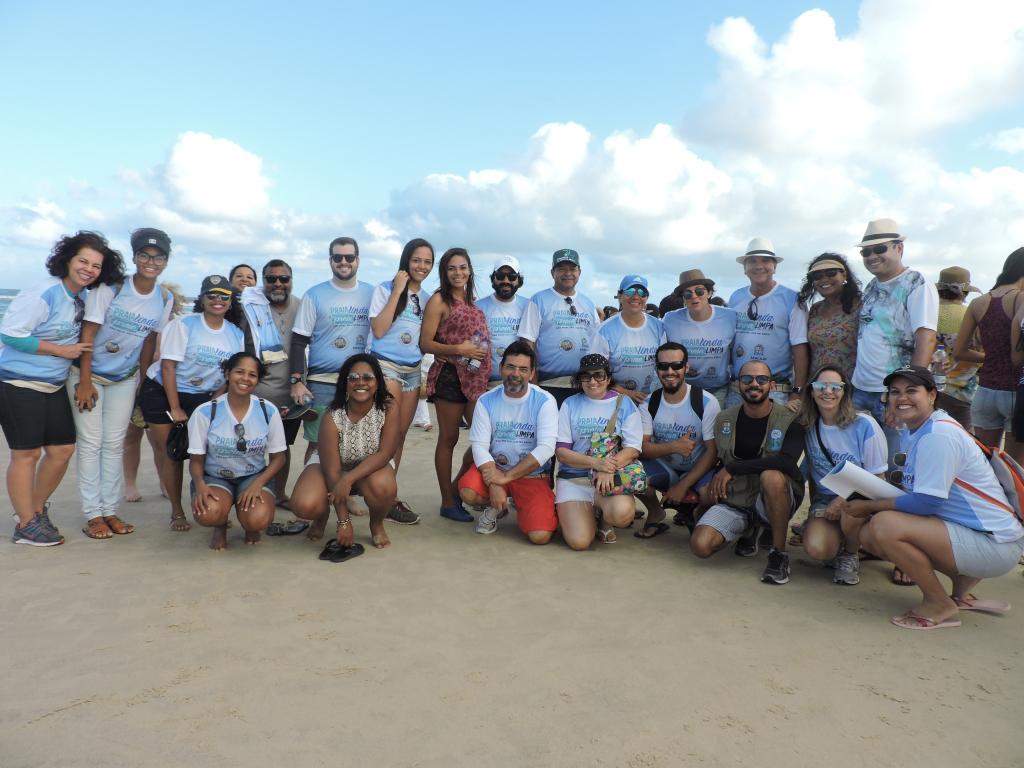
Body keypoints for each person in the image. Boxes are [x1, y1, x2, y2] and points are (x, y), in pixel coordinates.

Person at [844, 365, 1024, 630]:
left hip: (996, 544)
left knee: (883, 526)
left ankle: (938, 603)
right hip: (986, 536)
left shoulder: (937, 435)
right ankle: (961, 588)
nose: (902, 398)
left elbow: (927, 503)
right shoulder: (923, 428)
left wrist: (870, 505)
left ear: (931, 395)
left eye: (911, 390)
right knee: (874, 530)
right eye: (894, 392)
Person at [1, 231, 125, 546]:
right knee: (26, 454)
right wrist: (61, 351)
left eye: (96, 266)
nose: (88, 269)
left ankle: (34, 510)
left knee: (62, 450)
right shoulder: (44, 292)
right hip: (18, 381)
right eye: (83, 261)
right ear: (67, 260)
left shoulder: (81, 298)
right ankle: (26, 525)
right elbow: (11, 334)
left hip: (53, 384)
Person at [70, 227, 175, 539]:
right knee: (91, 443)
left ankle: (110, 510)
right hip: (88, 375)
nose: (151, 262)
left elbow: (149, 342)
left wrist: (142, 381)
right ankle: (93, 515)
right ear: (135, 257)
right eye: (144, 255)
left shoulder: (164, 297)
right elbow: (88, 334)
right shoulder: (112, 288)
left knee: (114, 444)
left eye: (158, 258)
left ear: (166, 262)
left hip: (124, 379)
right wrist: (84, 381)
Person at [138, 275, 245, 532]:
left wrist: (216, 398)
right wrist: (175, 407)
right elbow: (168, 367)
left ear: (230, 301)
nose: (218, 300)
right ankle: (177, 511)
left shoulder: (236, 334)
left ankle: (212, 504)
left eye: (224, 296)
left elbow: (230, 374)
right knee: (172, 453)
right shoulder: (184, 325)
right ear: (202, 299)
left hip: (203, 396)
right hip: (163, 391)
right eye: (212, 295)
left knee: (206, 453)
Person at [692, 360, 806, 584]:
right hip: (737, 497)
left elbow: (786, 463)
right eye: (747, 379)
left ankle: (778, 554)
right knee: (700, 546)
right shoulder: (724, 418)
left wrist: (733, 468)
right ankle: (748, 529)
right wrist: (704, 489)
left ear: (772, 385)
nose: (754, 384)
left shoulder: (790, 419)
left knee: (771, 476)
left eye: (762, 379)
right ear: (737, 385)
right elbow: (717, 458)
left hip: (775, 496)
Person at [288, 353, 400, 550]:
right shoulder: (332, 416)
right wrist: (344, 521)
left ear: (378, 382)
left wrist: (348, 480)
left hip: (371, 467)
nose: (360, 382)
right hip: (330, 467)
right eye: (353, 377)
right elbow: (332, 471)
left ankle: (376, 524)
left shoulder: (388, 408)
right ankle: (322, 515)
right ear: (345, 384)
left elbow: (385, 453)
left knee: (384, 487)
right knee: (304, 505)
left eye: (367, 377)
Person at [851, 218, 939, 459]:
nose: (872, 256)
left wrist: (905, 394)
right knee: (863, 465)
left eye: (880, 249)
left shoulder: (916, 283)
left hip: (892, 393)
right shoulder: (871, 286)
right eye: (866, 252)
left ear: (899, 248)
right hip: (861, 390)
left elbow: (926, 338)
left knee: (896, 466)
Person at [458, 341, 558, 543]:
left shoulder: (545, 401)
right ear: (501, 368)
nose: (516, 374)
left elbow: (546, 448)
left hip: (531, 476)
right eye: (510, 367)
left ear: (532, 373)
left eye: (523, 369)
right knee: (468, 492)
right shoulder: (486, 400)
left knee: (540, 536)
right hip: (496, 468)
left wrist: (505, 478)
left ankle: (524, 507)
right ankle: (496, 508)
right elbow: (479, 446)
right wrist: (495, 481)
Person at [187, 352, 286, 550]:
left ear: (258, 380)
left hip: (253, 475)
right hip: (215, 477)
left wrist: (258, 484)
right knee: (208, 513)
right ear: (227, 374)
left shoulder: (267, 410)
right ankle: (220, 525)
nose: (245, 378)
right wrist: (200, 485)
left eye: (252, 375)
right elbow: (196, 460)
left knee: (258, 519)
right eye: (239, 372)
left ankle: (250, 526)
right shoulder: (205, 412)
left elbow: (279, 458)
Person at [798, 365, 887, 584]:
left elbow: (878, 479)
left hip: (861, 496)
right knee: (818, 549)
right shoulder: (808, 424)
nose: (827, 391)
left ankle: (850, 553)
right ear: (811, 391)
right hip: (825, 499)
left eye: (835, 386)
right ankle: (838, 540)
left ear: (845, 391)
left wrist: (841, 499)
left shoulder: (864, 424)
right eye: (821, 386)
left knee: (850, 510)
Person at [420, 247, 491, 521]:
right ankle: (448, 501)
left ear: (470, 270)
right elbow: (425, 343)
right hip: (449, 377)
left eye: (462, 267)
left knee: (486, 437)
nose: (457, 273)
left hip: (475, 379)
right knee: (448, 438)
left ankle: (454, 487)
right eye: (451, 268)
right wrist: (458, 349)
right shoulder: (439, 300)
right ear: (444, 272)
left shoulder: (473, 302)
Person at [289, 237, 373, 462]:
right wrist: (296, 381)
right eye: (338, 257)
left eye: (349, 257)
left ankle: (346, 485)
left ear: (358, 260)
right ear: (330, 261)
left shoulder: (372, 293)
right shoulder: (314, 294)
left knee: (359, 443)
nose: (343, 262)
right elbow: (298, 341)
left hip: (360, 382)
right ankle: (313, 483)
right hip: (322, 382)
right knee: (318, 443)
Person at [369, 238, 434, 524]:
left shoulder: (428, 299)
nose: (422, 266)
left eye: (427, 262)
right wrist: (398, 290)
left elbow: (426, 340)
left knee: (401, 435)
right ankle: (378, 492)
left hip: (413, 370)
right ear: (406, 260)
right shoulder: (384, 289)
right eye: (417, 260)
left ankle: (388, 494)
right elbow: (379, 329)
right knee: (387, 432)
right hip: (386, 366)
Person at [554, 354, 643, 549]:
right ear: (579, 379)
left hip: (608, 479)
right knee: (579, 542)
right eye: (586, 376)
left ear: (608, 378)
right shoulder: (569, 404)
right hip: (574, 478)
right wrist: (597, 464)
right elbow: (562, 453)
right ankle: (584, 515)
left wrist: (607, 468)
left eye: (599, 375)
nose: (592, 381)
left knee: (622, 515)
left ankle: (604, 518)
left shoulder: (624, 403)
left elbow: (633, 449)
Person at [635, 342, 720, 537]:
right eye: (663, 366)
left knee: (711, 494)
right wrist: (674, 447)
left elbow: (713, 451)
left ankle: (697, 512)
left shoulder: (706, 401)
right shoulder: (649, 403)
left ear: (686, 368)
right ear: (656, 369)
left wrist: (683, 485)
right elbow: (641, 448)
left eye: (677, 365)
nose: (670, 371)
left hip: (698, 468)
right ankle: (655, 512)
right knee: (631, 475)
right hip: (666, 468)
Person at [238, 259, 304, 508]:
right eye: (271, 279)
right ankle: (245, 495)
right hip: (254, 395)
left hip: (290, 396)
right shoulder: (250, 307)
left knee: (281, 448)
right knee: (248, 448)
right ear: (263, 281)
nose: (278, 283)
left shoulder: (301, 306)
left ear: (291, 281)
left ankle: (279, 494)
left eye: (283, 279)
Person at [956, 251, 1024, 461]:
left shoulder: (978, 302)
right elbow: (1017, 356)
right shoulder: (1021, 299)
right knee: (1014, 469)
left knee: (986, 464)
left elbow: (959, 352)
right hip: (1014, 392)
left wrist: (992, 357)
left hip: (985, 391)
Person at [727, 238, 808, 411]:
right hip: (738, 388)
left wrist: (797, 392)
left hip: (775, 389)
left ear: (775, 267)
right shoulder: (736, 297)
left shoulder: (792, 299)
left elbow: (800, 347)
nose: (759, 266)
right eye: (752, 261)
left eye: (765, 261)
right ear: (744, 268)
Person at [123, 281, 186, 502]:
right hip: (135, 380)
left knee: (160, 441)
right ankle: (130, 484)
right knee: (132, 435)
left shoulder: (176, 326)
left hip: (159, 386)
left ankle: (164, 482)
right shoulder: (141, 320)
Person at [518, 248, 602, 407]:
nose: (568, 273)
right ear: (552, 272)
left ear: (579, 272)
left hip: (584, 384)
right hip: (548, 384)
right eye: (561, 268)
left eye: (572, 269)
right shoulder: (538, 300)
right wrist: (533, 384)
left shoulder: (588, 303)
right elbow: (527, 343)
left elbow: (598, 343)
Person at [662, 269, 737, 407]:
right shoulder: (670, 319)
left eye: (699, 291)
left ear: (709, 293)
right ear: (683, 298)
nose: (694, 296)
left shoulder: (730, 317)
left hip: (718, 389)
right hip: (684, 389)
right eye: (687, 293)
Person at [593, 275, 667, 404]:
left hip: (650, 399)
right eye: (630, 291)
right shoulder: (604, 330)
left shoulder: (659, 327)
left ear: (646, 298)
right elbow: (595, 370)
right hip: (615, 399)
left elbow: (665, 364)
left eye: (642, 293)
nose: (636, 297)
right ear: (620, 296)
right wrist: (625, 392)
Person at [796, 253, 862, 381]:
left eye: (831, 273)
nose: (824, 279)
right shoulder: (815, 309)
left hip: (851, 385)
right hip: (817, 386)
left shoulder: (862, 306)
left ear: (844, 275)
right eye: (817, 276)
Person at [933, 266, 981, 431]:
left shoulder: (927, 314)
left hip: (928, 389)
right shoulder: (971, 316)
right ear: (965, 292)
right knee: (964, 439)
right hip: (962, 391)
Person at [476, 256, 529, 388]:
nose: (506, 281)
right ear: (493, 278)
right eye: (500, 276)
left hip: (518, 382)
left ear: (519, 280)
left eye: (512, 277)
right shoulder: (478, 307)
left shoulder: (529, 306)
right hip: (486, 384)